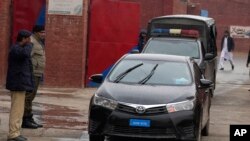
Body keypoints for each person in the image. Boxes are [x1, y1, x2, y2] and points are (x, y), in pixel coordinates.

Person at [6, 29, 34, 141]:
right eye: (29, 39)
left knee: (19, 110)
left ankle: (16, 132)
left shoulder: (20, 48)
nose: (30, 41)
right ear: (24, 38)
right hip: (17, 84)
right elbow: (25, 54)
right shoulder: (16, 49)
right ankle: (13, 134)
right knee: (16, 110)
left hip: (20, 84)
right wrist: (30, 45)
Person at [22, 25, 45, 129]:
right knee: (29, 97)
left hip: (37, 73)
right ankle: (25, 119)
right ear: (35, 32)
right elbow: (26, 58)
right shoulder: (32, 42)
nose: (44, 34)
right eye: (42, 32)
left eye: (44, 32)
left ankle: (29, 117)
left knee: (31, 96)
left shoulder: (38, 41)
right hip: (32, 73)